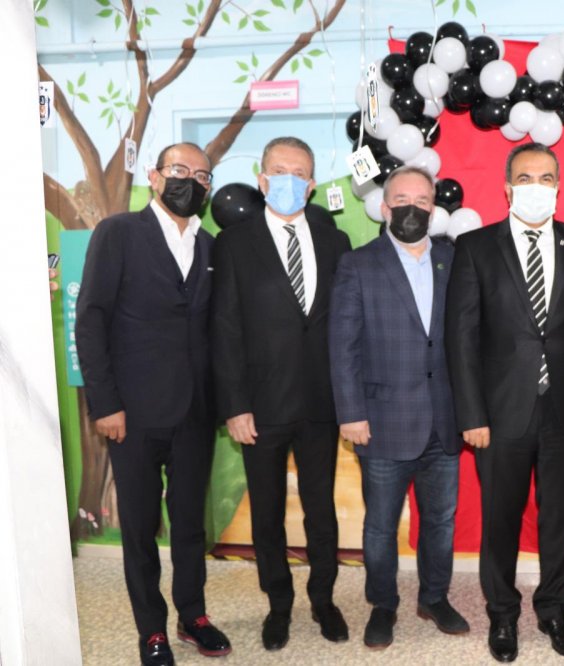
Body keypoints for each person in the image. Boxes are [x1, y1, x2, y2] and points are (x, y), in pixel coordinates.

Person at [445, 143, 564, 662]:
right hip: (498, 415)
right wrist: (471, 414)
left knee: (560, 518)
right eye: (525, 178)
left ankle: (554, 611)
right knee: (499, 519)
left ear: (558, 187)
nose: (535, 187)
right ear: (507, 188)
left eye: (545, 178)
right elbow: (461, 338)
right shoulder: (475, 247)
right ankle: (502, 613)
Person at [76, 142, 231, 666]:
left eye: (202, 176)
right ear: (155, 175)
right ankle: (152, 630)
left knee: (190, 525)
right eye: (180, 170)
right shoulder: (118, 233)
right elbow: (91, 320)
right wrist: (105, 404)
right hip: (132, 414)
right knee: (140, 529)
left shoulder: (210, 246)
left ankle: (193, 616)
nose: (190, 181)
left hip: (195, 413)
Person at [211, 136, 352, 651]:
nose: (289, 180)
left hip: (320, 403)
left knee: (321, 510)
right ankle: (279, 603)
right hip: (261, 405)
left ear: (311, 184)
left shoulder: (335, 240)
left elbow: (344, 325)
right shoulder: (233, 243)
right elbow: (225, 328)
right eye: (279, 170)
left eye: (299, 173)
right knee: (267, 511)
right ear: (262, 179)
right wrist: (235, 405)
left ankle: (323, 599)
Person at [329, 166, 469, 649]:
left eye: (423, 201)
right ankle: (382, 605)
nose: (413, 208)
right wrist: (350, 413)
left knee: (440, 522)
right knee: (380, 526)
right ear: (385, 208)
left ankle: (434, 597)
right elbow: (342, 346)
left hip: (444, 421)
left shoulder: (453, 259)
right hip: (382, 420)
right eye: (403, 200)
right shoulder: (358, 264)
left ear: (434, 208)